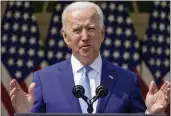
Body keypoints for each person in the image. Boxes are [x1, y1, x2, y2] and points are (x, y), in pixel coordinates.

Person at [10, 1, 170, 114]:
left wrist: (151, 113)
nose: (85, 36)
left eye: (91, 28)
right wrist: (25, 114)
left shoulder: (128, 80)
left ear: (102, 34)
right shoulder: (44, 79)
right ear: (66, 38)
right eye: (77, 30)